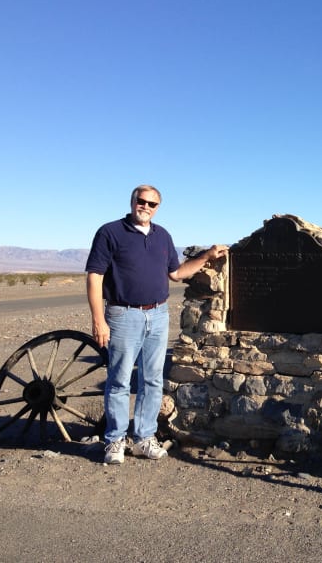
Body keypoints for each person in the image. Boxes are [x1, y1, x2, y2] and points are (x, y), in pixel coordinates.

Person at [86, 185, 227, 465]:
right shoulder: (110, 232)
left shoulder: (163, 236)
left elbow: (176, 273)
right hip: (123, 315)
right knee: (119, 380)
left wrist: (207, 256)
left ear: (158, 207)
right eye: (142, 202)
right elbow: (94, 277)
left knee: (152, 379)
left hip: (158, 315)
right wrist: (98, 319)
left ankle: (144, 438)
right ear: (132, 201)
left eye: (152, 204)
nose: (146, 207)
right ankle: (114, 440)